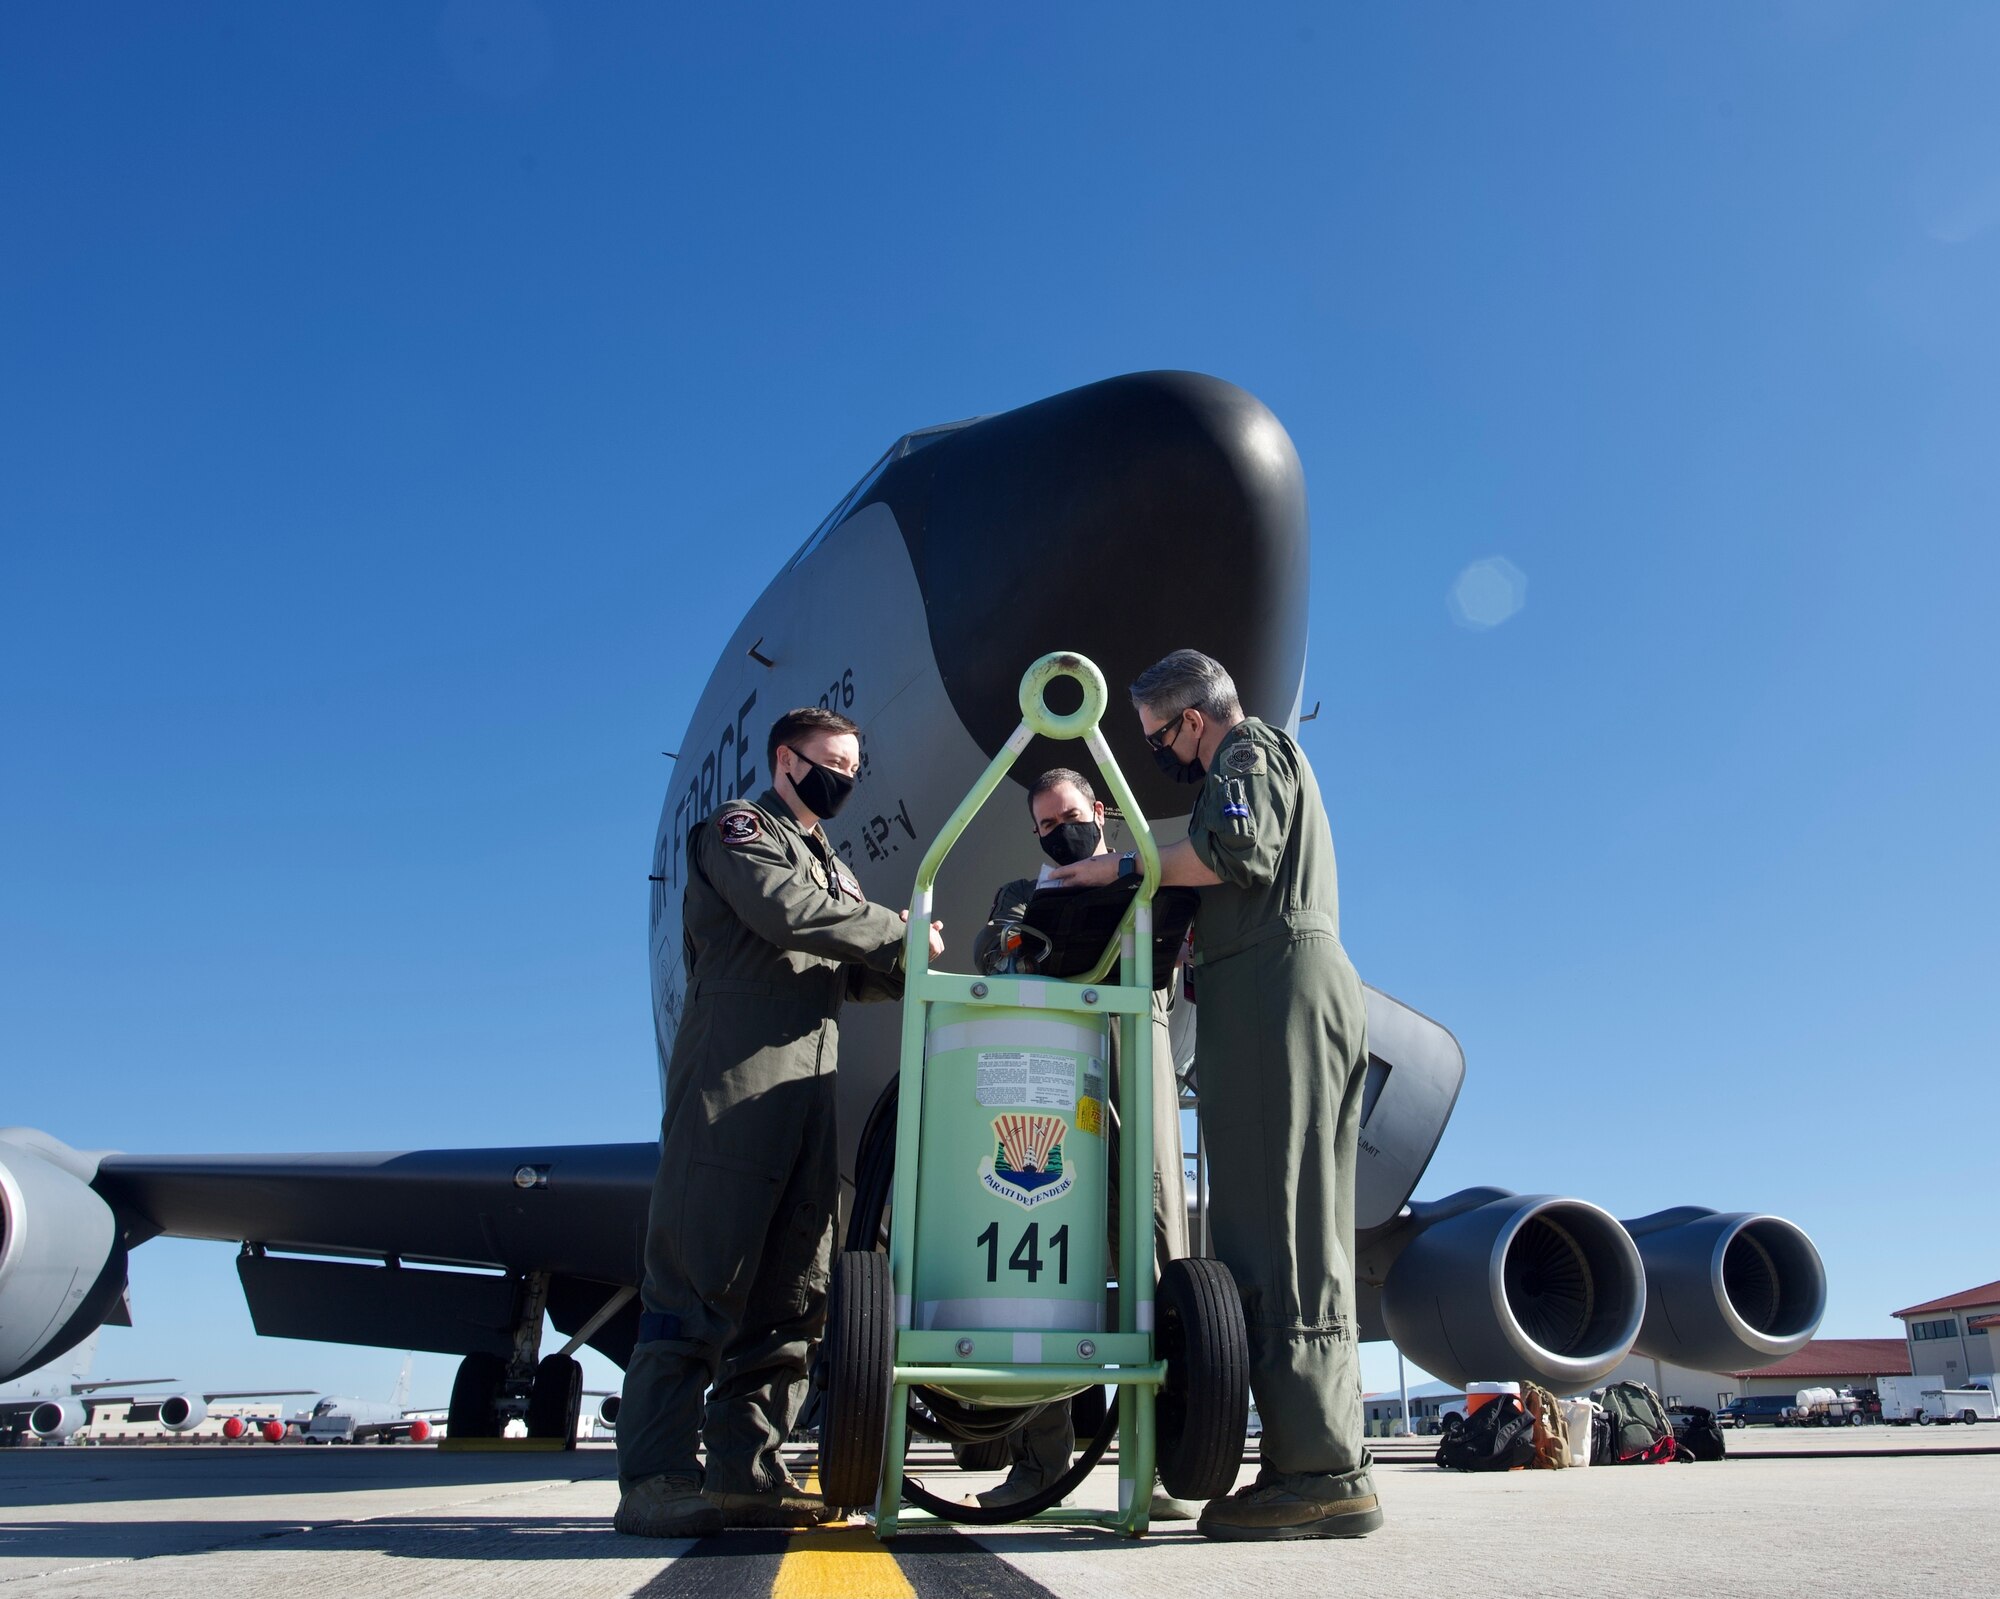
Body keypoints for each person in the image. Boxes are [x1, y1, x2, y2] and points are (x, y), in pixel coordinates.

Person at [1045, 650, 1380, 1542]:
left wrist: (1120, 869)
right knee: (1269, 1223)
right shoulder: (1248, 762)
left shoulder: (1247, 752)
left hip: (1278, 993)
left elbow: (1239, 850)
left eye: (1160, 736)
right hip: (1261, 993)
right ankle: (1316, 1457)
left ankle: (1317, 1471)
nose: (1162, 751)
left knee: (1280, 1230)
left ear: (1193, 718)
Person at [615, 707, 944, 1539]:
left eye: (852, 766)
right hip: (736, 1076)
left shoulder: (832, 865)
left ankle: (744, 1472)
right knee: (697, 1274)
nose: (843, 778)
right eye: (831, 762)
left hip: (808, 1086)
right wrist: (895, 934)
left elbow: (851, 974)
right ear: (785, 760)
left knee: (795, 1290)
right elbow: (787, 914)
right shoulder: (741, 830)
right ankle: (653, 1475)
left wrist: (914, 958)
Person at [963, 767, 1193, 1515]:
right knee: (1045, 1261)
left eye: (1066, 816)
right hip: (1054, 1072)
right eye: (1042, 825)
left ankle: (1151, 1460)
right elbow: (990, 954)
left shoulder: (1145, 876)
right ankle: (1038, 1462)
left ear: (1098, 810)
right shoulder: (1021, 894)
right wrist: (1022, 938)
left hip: (1137, 1058)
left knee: (1154, 1248)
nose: (1056, 832)